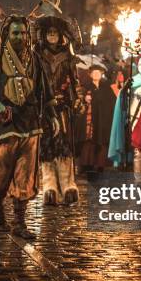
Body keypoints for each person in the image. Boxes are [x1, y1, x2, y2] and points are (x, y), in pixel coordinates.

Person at [0, 15, 59, 239]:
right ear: (7, 35)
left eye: (22, 33)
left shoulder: (35, 60)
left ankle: (20, 222)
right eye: (15, 33)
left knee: (26, 174)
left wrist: (53, 115)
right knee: (1, 172)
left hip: (30, 123)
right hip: (5, 125)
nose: (19, 37)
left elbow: (44, 91)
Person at [35, 16, 83, 206]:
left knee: (64, 146)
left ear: (60, 35)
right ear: (45, 36)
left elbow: (75, 81)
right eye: (49, 33)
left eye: (55, 33)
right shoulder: (37, 56)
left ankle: (68, 184)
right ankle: (49, 186)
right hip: (44, 108)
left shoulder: (68, 57)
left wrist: (78, 98)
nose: (52, 35)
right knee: (46, 147)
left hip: (63, 107)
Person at [76, 63, 116, 178]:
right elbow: (79, 100)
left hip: (103, 121)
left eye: (98, 72)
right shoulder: (86, 87)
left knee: (102, 142)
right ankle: (86, 165)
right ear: (90, 74)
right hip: (90, 120)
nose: (96, 74)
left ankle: (100, 165)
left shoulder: (106, 87)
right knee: (88, 142)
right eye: (94, 72)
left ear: (102, 74)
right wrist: (85, 98)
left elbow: (111, 103)